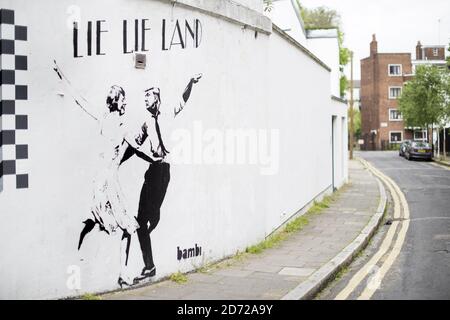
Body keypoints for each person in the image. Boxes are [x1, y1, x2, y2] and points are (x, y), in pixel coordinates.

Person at [132, 74, 202, 283]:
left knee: (150, 217)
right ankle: (149, 266)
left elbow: (183, 99)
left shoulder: (168, 113)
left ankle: (155, 218)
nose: (144, 100)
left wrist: (190, 82)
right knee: (139, 222)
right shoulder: (146, 122)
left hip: (164, 171)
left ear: (157, 98)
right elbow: (136, 142)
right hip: (152, 170)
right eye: (144, 97)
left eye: (148, 96)